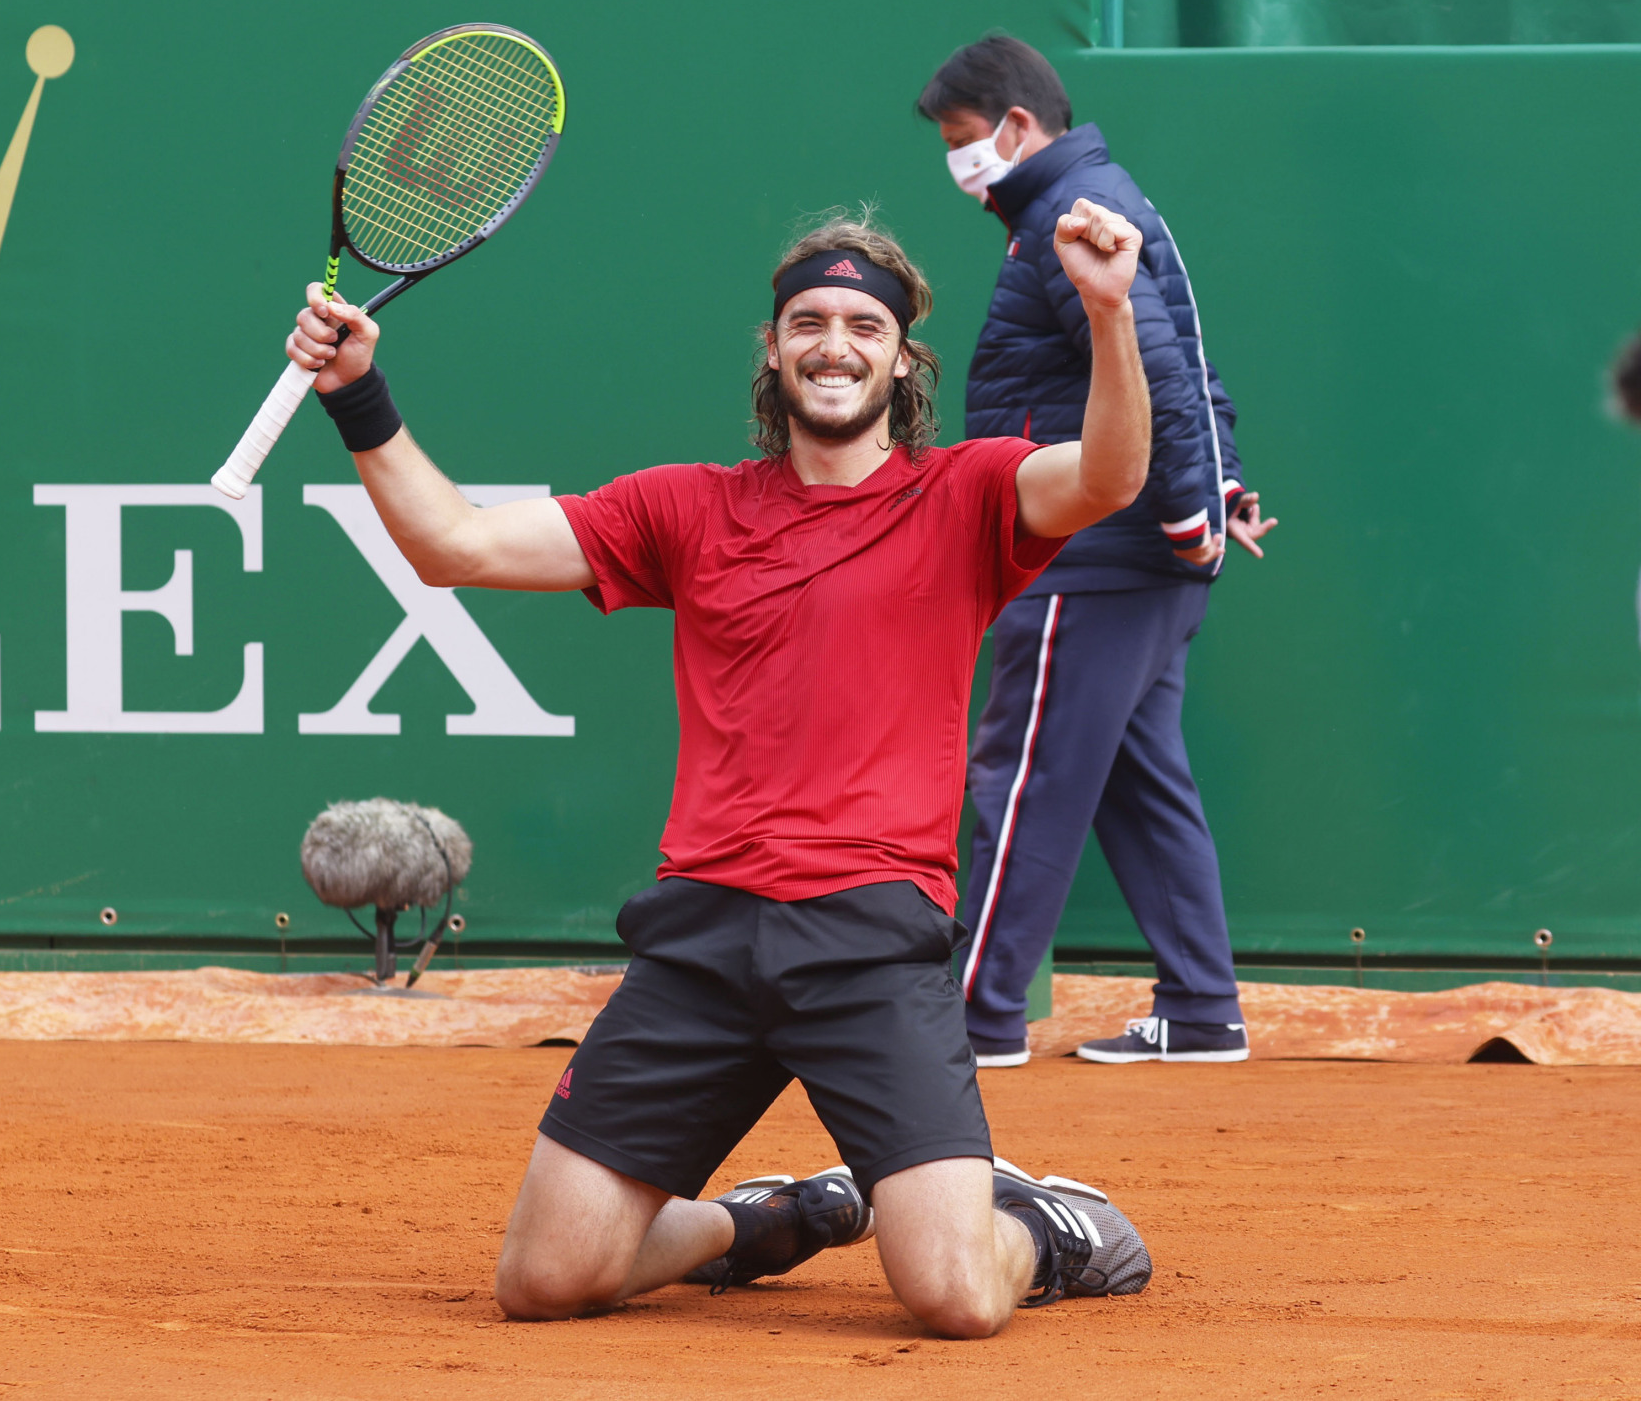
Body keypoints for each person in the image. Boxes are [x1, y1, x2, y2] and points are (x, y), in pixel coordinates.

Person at [282, 203, 1156, 1336]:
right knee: (544, 1280)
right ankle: (772, 1221)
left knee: (950, 1296)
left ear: (900, 358)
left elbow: (1109, 475)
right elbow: (454, 545)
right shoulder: (683, 509)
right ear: (771, 347)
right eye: (806, 321)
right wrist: (357, 392)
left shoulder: (969, 495)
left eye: (859, 324)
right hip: (701, 939)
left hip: (868, 938)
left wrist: (1107, 310)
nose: (831, 343)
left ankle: (1044, 1225)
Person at [917, 34, 1278, 1067]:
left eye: (960, 140)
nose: (956, 163)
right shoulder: (1082, 199)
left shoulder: (1070, 214)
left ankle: (973, 1018)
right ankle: (1200, 1007)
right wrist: (1211, 491)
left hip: (1089, 558)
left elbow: (1161, 377)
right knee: (1135, 777)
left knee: (1021, 777)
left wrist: (1188, 516)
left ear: (1015, 125)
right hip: (1133, 555)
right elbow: (1178, 365)